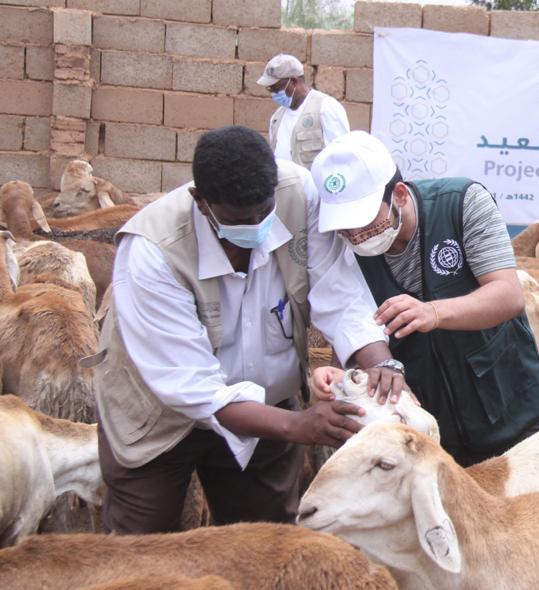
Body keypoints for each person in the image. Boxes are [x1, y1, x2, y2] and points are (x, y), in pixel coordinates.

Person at [90, 125, 405, 534]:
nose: (257, 226)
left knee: (269, 542)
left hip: (265, 409)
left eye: (264, 210)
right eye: (240, 219)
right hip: (158, 419)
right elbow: (191, 385)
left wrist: (383, 362)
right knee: (142, 549)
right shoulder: (152, 251)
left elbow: (337, 288)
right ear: (201, 202)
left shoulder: (298, 194)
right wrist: (298, 426)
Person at [308, 131, 539, 467]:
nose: (356, 236)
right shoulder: (347, 251)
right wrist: (340, 376)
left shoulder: (461, 204)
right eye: (344, 229)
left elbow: (507, 295)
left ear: (400, 195)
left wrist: (433, 312)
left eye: (364, 222)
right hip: (428, 435)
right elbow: (351, 323)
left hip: (507, 413)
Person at [257, 53, 351, 169]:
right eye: (270, 89)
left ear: (294, 82)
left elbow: (341, 157)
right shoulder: (277, 119)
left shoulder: (325, 107)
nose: (274, 93)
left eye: (277, 88)